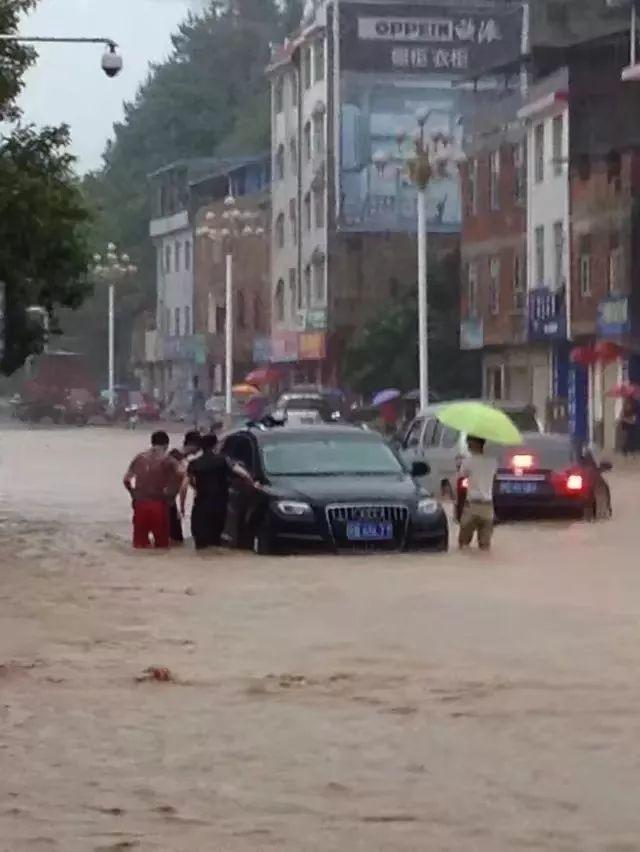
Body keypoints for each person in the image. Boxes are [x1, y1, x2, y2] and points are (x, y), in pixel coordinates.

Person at [187, 433, 254, 550]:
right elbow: (242, 474)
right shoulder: (223, 460)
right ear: (215, 445)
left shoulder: (194, 463)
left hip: (201, 506)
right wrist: (252, 484)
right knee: (216, 541)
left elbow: (188, 483)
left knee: (200, 543)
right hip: (219, 505)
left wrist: (197, 489)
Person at [123, 431, 182, 550]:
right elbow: (182, 474)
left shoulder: (139, 457)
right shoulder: (168, 460)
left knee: (139, 546)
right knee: (161, 547)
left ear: (152, 442)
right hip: (158, 504)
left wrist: (133, 495)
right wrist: (172, 494)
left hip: (140, 504)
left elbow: (126, 480)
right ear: (166, 445)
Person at [457, 435, 498, 552]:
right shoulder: (493, 462)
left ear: (474, 443)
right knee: (485, 547)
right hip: (488, 508)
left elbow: (461, 479)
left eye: (468, 442)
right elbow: (494, 481)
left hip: (472, 506)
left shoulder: (467, 461)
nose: (467, 445)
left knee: (463, 544)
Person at [168, 430, 202, 545]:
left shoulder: (174, 454)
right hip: (168, 501)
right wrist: (182, 508)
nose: (199, 451)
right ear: (194, 445)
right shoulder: (180, 459)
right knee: (176, 540)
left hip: (166, 499)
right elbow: (184, 487)